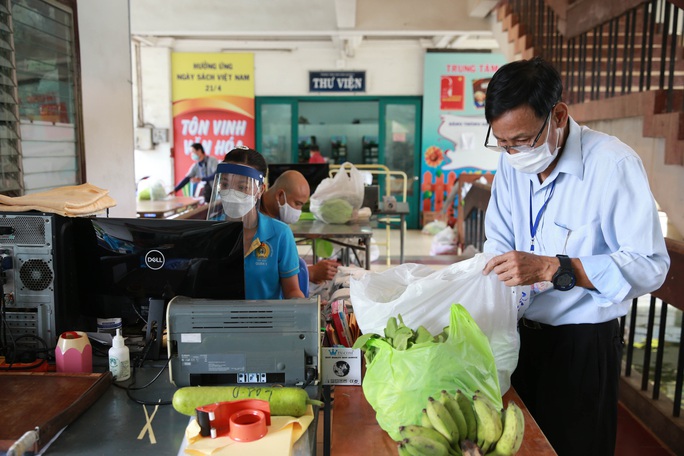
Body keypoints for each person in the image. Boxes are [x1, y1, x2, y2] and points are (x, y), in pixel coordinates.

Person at [480, 57, 670, 456]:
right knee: (517, 445)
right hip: (517, 335)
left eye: (523, 141)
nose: (513, 153)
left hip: (581, 345)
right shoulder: (511, 163)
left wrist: (556, 267)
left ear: (559, 115)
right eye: (502, 142)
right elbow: (497, 239)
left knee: (577, 446)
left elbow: (651, 264)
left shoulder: (612, 164)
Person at [208, 146, 304, 300]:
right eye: (225, 184)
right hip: (220, 321)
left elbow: (292, 291)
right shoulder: (209, 232)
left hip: (267, 321)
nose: (231, 193)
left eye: (242, 187)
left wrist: (305, 311)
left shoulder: (279, 234)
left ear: (260, 190)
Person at [260, 169, 340, 284]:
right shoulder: (254, 222)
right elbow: (262, 273)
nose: (298, 211)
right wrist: (309, 272)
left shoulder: (279, 223)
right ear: (280, 195)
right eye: (297, 204)